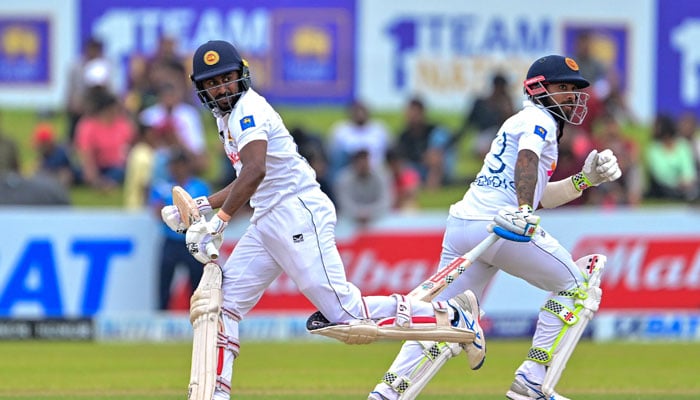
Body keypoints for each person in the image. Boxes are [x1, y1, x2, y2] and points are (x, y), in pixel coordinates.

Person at [158, 40, 483, 400]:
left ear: (240, 76)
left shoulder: (247, 110)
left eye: (226, 79)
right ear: (201, 88)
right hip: (269, 216)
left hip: (298, 212)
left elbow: (255, 171)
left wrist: (218, 222)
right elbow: (249, 178)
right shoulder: (225, 119)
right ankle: (213, 395)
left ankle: (451, 316)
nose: (221, 88)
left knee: (345, 314)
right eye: (212, 83)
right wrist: (203, 206)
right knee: (223, 306)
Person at [368, 54, 622, 400]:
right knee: (578, 287)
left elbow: (539, 195)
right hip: (501, 225)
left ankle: (388, 393)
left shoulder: (522, 120)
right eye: (563, 87)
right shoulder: (539, 119)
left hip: (464, 223)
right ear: (539, 89)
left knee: (446, 318)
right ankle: (532, 379)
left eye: (575, 89)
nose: (572, 95)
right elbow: (527, 161)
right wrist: (520, 210)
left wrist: (584, 180)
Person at [149, 149, 210, 310]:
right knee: (164, 282)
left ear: (186, 166)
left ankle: (198, 314)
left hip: (193, 240)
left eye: (179, 165)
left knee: (197, 281)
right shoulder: (162, 186)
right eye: (172, 165)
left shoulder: (199, 186)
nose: (175, 169)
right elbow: (157, 212)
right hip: (171, 240)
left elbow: (204, 213)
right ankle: (162, 314)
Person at [395, 97, 455, 190]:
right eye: (410, 112)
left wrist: (429, 157)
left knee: (434, 158)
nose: (412, 116)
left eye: (415, 112)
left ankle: (432, 189)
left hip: (438, 168)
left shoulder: (435, 131)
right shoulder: (404, 136)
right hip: (416, 168)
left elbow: (437, 154)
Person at [327, 99, 391, 180]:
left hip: (376, 170)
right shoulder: (340, 130)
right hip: (348, 172)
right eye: (356, 110)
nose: (360, 114)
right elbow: (332, 155)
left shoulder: (379, 129)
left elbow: (390, 152)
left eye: (362, 110)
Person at [334, 148, 394, 228]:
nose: (363, 165)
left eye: (365, 161)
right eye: (360, 162)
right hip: (350, 219)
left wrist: (369, 213)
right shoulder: (343, 178)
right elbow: (343, 202)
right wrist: (358, 213)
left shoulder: (382, 176)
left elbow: (386, 200)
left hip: (377, 218)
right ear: (354, 163)